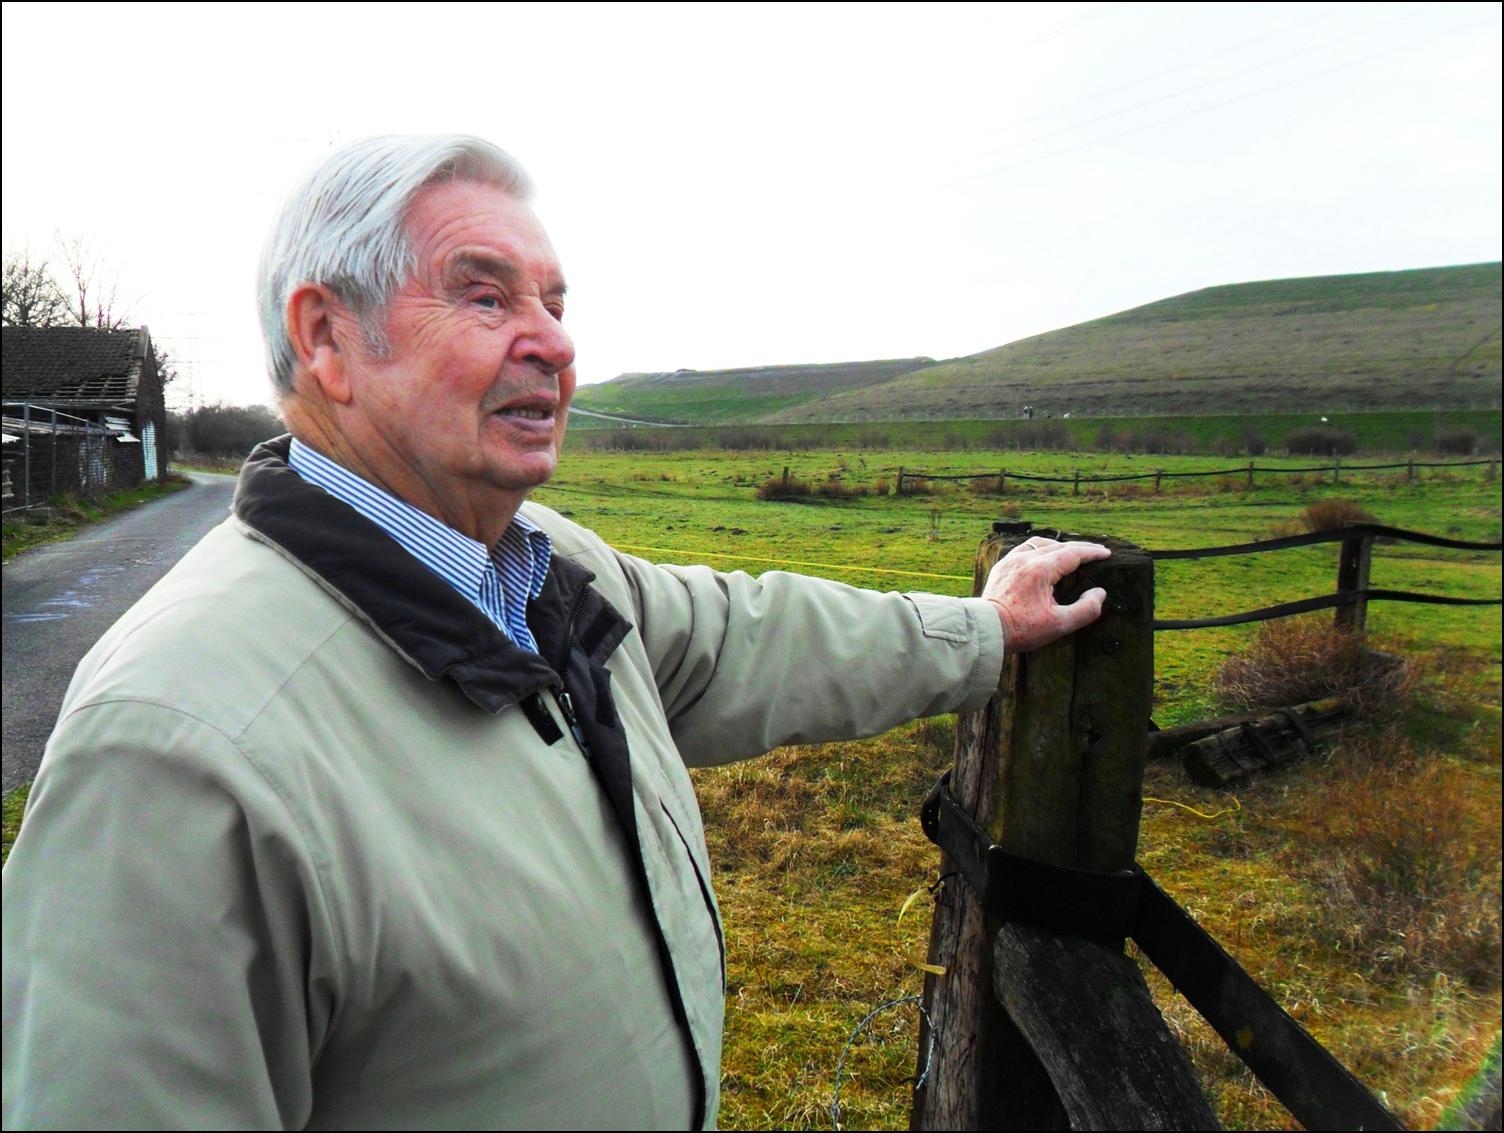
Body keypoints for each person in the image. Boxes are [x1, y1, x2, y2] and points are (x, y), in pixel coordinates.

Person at [1, 135, 1107, 1130]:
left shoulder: (544, 566)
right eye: (485, 298)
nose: (553, 345)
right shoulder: (172, 752)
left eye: (556, 302)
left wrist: (979, 629)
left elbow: (746, 636)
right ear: (327, 337)